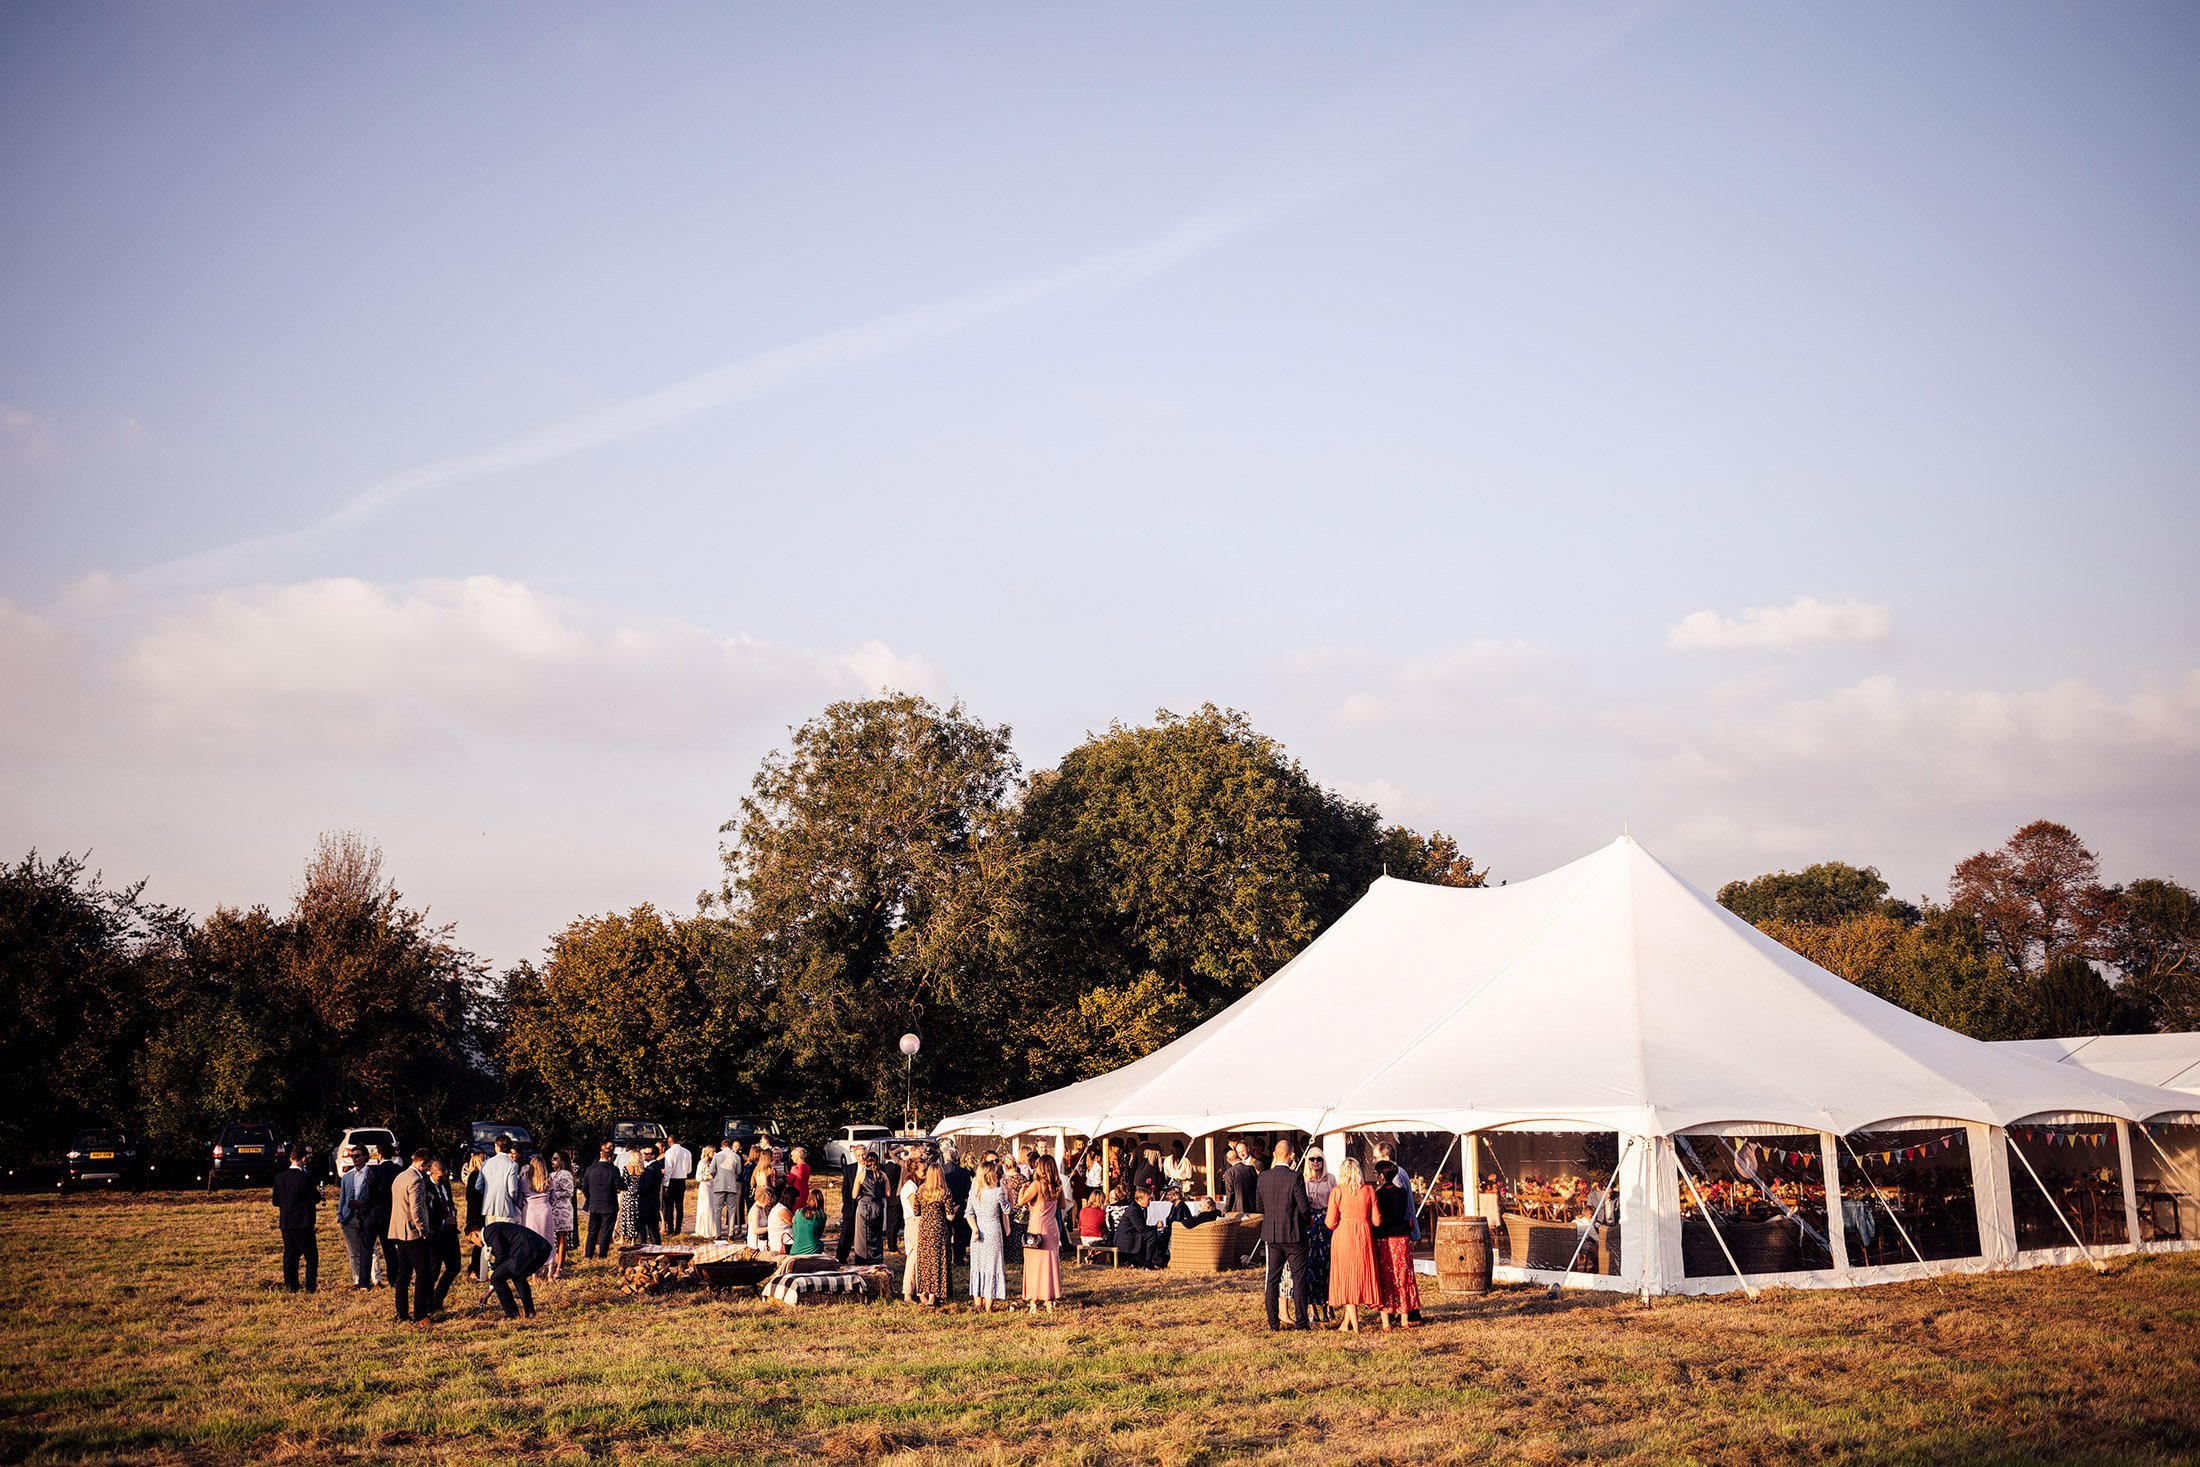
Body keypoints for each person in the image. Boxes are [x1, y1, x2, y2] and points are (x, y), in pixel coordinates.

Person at [1257, 1139, 1312, 1331]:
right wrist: (1305, 1220)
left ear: (1274, 1154)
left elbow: (1259, 1206)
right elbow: (1304, 1207)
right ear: (1291, 1156)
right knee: (1299, 1279)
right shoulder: (1294, 1177)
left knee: (1273, 1279)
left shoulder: (1263, 1177)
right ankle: (1302, 1322)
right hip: (1294, 1234)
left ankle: (1273, 1322)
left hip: (1272, 1234)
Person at [1324, 1156, 1383, 1333]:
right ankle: (1346, 1324)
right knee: (1359, 1276)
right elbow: (1377, 1220)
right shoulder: (1369, 1190)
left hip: (1343, 1236)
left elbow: (1330, 1222)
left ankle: (1355, 1326)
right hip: (1364, 1236)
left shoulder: (1337, 1191)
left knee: (1347, 1278)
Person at [1373, 1142, 1424, 1323]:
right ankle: (1406, 1311)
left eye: (1376, 1158)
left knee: (1395, 1273)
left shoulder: (1393, 1179)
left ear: (1385, 1159)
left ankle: (1402, 1311)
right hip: (1402, 1230)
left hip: (1394, 1233)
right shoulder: (1401, 1174)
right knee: (1403, 1272)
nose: (1373, 1161)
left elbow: (1397, 1210)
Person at [387, 1148, 434, 1323]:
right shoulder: (417, 1180)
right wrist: (423, 1229)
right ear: (422, 1163)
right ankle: (420, 1313)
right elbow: (416, 1210)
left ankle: (402, 1312)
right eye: (428, 1166)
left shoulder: (400, 1176)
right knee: (423, 1272)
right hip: (412, 1232)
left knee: (403, 1274)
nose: (428, 1170)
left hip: (398, 1230)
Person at [271, 1142, 320, 1293]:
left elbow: (275, 1202)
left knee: (289, 1256)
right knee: (311, 1256)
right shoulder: (305, 1178)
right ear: (303, 1159)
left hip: (286, 1222)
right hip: (303, 1223)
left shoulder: (279, 1178)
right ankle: (310, 1287)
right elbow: (316, 1198)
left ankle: (291, 1285)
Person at [1017, 1154, 1063, 1314]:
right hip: (1052, 1228)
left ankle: (1033, 1301)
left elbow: (1020, 1202)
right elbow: (1062, 1205)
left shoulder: (1037, 1185)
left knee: (1034, 1266)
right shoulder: (1057, 1185)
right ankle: (1049, 1300)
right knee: (1050, 1265)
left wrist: (1022, 1189)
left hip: (1037, 1229)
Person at [479, 1220, 551, 1319]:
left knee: (497, 1277)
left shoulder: (489, 1231)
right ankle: (529, 1312)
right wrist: (490, 1290)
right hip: (541, 1249)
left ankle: (511, 1314)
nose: (474, 1244)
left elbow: (501, 1255)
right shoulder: (493, 1230)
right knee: (518, 1276)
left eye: (471, 1240)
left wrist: (494, 1270)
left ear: (473, 1234)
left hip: (529, 1249)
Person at [966, 1161, 1011, 1310]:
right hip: (993, 1231)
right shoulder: (997, 1192)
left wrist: (975, 1228)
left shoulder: (974, 1192)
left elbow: (969, 1214)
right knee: (992, 1266)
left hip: (978, 1232)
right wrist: (1008, 1191)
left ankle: (978, 1304)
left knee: (978, 1266)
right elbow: (1008, 1210)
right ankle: (988, 1306)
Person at [913, 1161, 955, 1306]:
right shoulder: (945, 1192)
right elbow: (950, 1216)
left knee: (925, 1260)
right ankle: (933, 1295)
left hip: (925, 1228)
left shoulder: (920, 1190)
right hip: (939, 1229)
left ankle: (922, 1292)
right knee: (938, 1260)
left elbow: (916, 1212)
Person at [362, 1144, 403, 1291]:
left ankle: (364, 1283)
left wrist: (365, 1213)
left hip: (373, 1214)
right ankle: (394, 1280)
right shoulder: (399, 1170)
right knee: (390, 1250)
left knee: (367, 1249)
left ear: (379, 1155)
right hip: (390, 1214)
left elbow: (368, 1194)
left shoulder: (374, 1171)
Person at [1302, 1152, 1336, 1324]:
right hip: (1310, 1223)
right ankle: (1312, 1307)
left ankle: (1329, 1305)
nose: (1316, 1162)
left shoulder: (1330, 1179)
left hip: (1327, 1221)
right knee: (1310, 1265)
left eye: (1319, 1159)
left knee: (1327, 1265)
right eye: (1312, 1159)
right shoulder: (1304, 1180)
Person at [425, 1155, 461, 1309]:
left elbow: (449, 1202)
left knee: (455, 1266)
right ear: (431, 1173)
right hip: (435, 1234)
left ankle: (437, 1297)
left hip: (450, 1232)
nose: (443, 1178)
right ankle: (427, 1302)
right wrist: (442, 1220)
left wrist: (452, 1215)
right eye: (440, 1176)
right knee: (433, 1270)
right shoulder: (426, 1187)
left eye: (445, 1175)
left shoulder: (446, 1184)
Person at [581, 1144, 621, 1260]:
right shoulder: (613, 1169)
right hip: (609, 1204)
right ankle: (602, 1255)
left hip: (594, 1204)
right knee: (606, 1231)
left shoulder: (590, 1169)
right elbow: (619, 1184)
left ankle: (588, 1255)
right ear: (610, 1157)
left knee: (592, 1230)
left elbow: (584, 1187)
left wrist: (590, 1197)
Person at [850, 1148, 889, 1264]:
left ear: (866, 1161)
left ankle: (863, 1260)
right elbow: (888, 1193)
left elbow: (853, 1195)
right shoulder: (883, 1175)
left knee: (862, 1236)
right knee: (877, 1234)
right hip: (878, 1206)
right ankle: (876, 1258)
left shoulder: (861, 1175)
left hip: (865, 1206)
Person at [1110, 1184, 1164, 1268]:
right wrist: (1155, 1226)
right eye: (1148, 1199)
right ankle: (1148, 1262)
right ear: (1140, 1199)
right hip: (1126, 1240)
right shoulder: (1134, 1210)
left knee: (1153, 1233)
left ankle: (1154, 1260)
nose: (1150, 1201)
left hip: (1133, 1235)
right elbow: (1141, 1229)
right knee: (1151, 1234)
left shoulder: (1140, 1208)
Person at [480, 1134, 522, 1231]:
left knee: (491, 1237)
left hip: (488, 1205)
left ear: (496, 1146)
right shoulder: (512, 1165)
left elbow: (478, 1185)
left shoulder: (486, 1163)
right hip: (505, 1206)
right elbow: (512, 1189)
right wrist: (514, 1199)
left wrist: (488, 1191)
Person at [899, 1157, 927, 1300]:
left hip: (917, 1222)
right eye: (923, 1170)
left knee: (917, 1258)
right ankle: (908, 1292)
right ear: (914, 1171)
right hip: (914, 1223)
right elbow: (916, 1208)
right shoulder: (910, 1187)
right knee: (913, 1258)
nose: (925, 1173)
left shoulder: (915, 1186)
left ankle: (916, 1290)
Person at [522, 1154, 555, 1272]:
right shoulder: (549, 1180)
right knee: (548, 1239)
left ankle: (533, 1273)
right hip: (545, 1209)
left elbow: (519, 1198)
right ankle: (550, 1273)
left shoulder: (525, 1180)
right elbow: (553, 1198)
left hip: (530, 1210)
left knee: (531, 1242)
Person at [708, 1140, 746, 1240]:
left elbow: (711, 1170)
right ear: (731, 1146)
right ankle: (730, 1234)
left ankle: (718, 1233)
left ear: (722, 1147)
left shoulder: (717, 1156)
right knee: (732, 1210)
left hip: (719, 1185)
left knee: (717, 1210)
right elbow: (739, 1171)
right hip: (732, 1185)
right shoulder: (736, 1156)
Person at [942, 1144, 974, 1265]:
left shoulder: (940, 1171)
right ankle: (959, 1259)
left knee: (946, 1234)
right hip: (960, 1206)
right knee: (959, 1234)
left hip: (944, 1206)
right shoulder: (964, 1172)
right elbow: (968, 1191)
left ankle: (946, 1258)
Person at [547, 1150, 576, 1279]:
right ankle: (550, 1265)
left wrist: (554, 1194)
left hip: (563, 1209)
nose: (552, 1161)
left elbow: (569, 1192)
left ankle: (560, 1267)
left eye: (555, 1159)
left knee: (561, 1238)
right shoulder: (552, 1174)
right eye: (552, 1159)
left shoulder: (566, 1174)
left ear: (562, 1161)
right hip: (552, 1209)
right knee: (552, 1238)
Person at [462, 1151, 488, 1280]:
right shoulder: (476, 1176)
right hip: (477, 1213)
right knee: (479, 1244)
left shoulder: (473, 1176)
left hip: (474, 1213)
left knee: (480, 1245)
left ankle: (476, 1269)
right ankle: (474, 1270)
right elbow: (472, 1196)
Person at [660, 1134, 692, 1236]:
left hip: (672, 1180)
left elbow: (669, 1169)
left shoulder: (669, 1152)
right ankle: (678, 1228)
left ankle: (671, 1229)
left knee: (669, 1206)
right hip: (681, 1180)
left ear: (669, 1143)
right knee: (679, 1205)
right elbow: (689, 1169)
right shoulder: (687, 1152)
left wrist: (665, 1183)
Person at [638, 1144, 666, 1247]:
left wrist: (637, 1189)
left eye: (647, 1154)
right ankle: (656, 1246)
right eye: (644, 1153)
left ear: (653, 1155)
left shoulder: (651, 1169)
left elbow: (647, 1186)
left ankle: (643, 1246)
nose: (645, 1155)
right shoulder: (655, 1167)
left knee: (644, 1226)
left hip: (647, 1202)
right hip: (653, 1201)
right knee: (653, 1227)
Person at [692, 1147, 721, 1241]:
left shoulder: (715, 1162)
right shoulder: (702, 1162)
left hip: (714, 1186)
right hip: (705, 1187)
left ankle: (714, 1230)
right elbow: (698, 1177)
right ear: (708, 1152)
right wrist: (707, 1177)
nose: (715, 1153)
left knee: (713, 1208)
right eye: (713, 1151)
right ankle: (705, 1230)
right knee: (706, 1208)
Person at [615, 1152, 643, 1244]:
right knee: (634, 1218)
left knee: (625, 1217)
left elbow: (624, 1182)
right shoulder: (642, 1170)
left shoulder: (627, 1168)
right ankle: (633, 1240)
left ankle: (622, 1238)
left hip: (628, 1195)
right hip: (638, 1196)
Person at [1224, 1143, 1261, 1214]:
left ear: (1228, 1160)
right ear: (1238, 1156)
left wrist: (1226, 1209)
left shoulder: (1230, 1172)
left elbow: (1230, 1193)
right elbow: (1257, 1187)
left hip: (1237, 1209)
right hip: (1252, 1207)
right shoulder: (1251, 1169)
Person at [791, 1187, 827, 1256]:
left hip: (795, 1250)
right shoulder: (822, 1215)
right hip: (813, 1249)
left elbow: (795, 1233)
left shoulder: (798, 1212)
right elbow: (819, 1235)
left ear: (808, 1199)